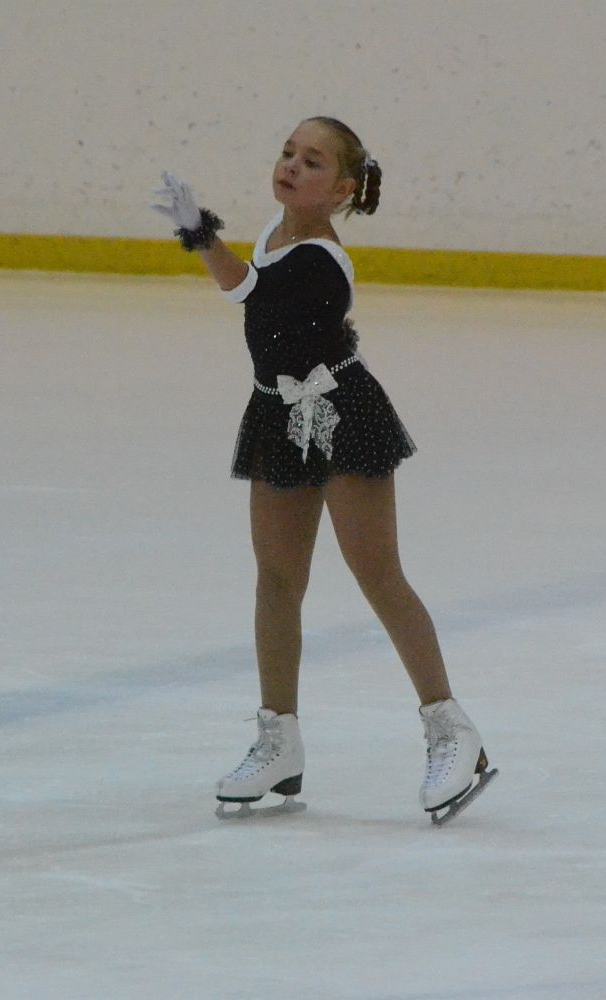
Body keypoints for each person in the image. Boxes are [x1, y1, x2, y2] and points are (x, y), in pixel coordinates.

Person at [151, 117, 496, 824]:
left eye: (312, 162)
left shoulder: (323, 260)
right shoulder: (273, 236)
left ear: (342, 190)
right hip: (278, 410)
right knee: (277, 579)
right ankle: (278, 739)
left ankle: (453, 731)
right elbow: (247, 285)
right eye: (287, 153)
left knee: (377, 573)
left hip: (341, 411)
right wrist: (204, 235)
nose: (291, 166)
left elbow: (254, 294)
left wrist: (200, 235)